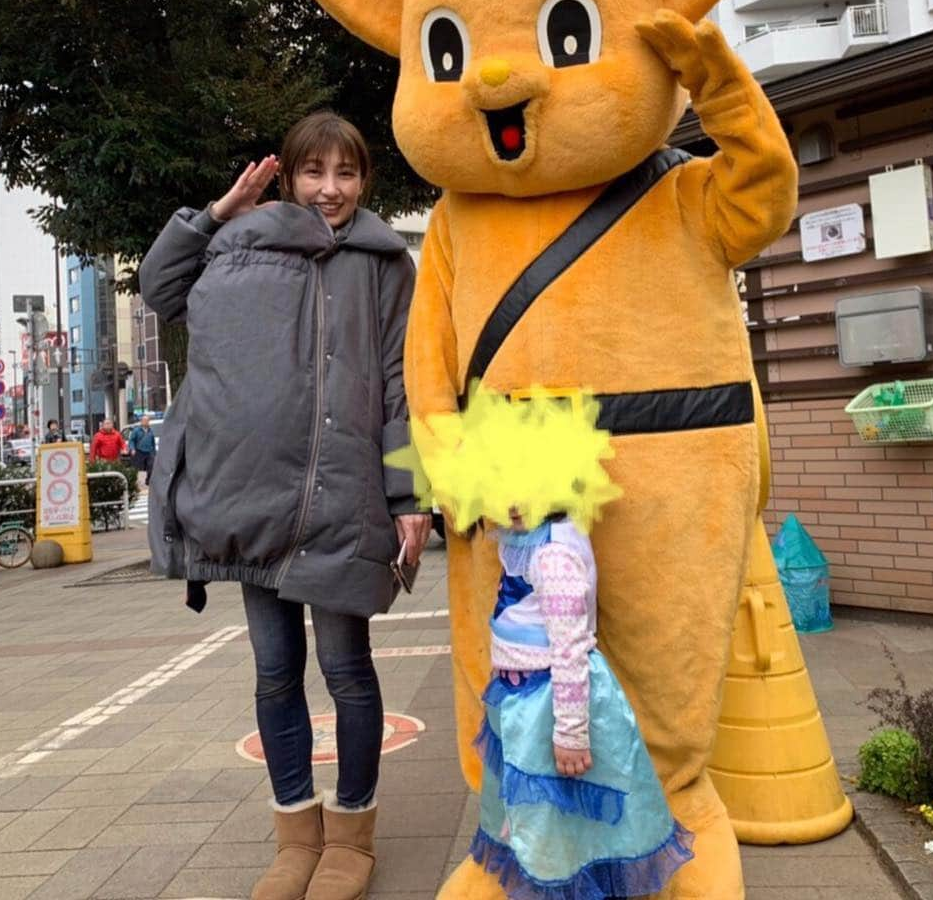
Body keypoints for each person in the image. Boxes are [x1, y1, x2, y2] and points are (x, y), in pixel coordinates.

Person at [140, 110, 431, 900]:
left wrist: (411, 494)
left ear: (365, 181)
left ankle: (353, 837)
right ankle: (294, 834)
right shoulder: (242, 246)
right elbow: (160, 287)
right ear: (290, 176)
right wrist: (218, 213)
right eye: (313, 172)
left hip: (345, 502)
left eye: (345, 174)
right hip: (256, 502)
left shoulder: (385, 265)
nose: (329, 190)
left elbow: (403, 385)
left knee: (347, 672)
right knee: (275, 674)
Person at [391, 391, 693, 900]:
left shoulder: (555, 558)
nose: (510, 506)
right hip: (524, 700)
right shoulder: (525, 539)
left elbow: (571, 649)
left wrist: (571, 733)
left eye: (524, 490)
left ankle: (561, 884)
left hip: (552, 703)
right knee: (541, 810)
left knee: (557, 815)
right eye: (499, 489)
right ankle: (549, 873)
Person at [127, 415, 156, 487]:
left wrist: (154, 452)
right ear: (141, 421)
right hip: (139, 451)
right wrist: (132, 449)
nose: (146, 422)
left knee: (151, 466)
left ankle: (148, 481)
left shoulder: (150, 431)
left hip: (149, 452)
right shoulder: (136, 430)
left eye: (147, 421)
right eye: (144, 420)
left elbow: (153, 442)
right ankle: (137, 482)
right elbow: (131, 441)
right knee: (138, 468)